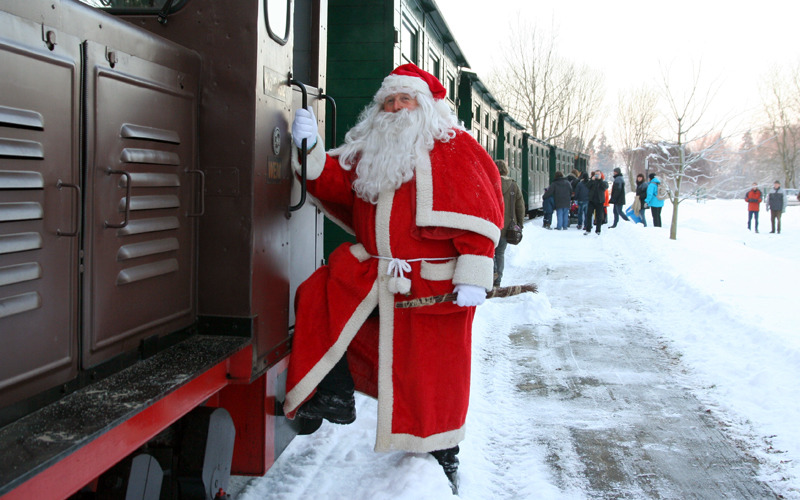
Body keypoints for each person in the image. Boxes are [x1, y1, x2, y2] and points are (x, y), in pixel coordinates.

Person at [285, 63, 504, 493]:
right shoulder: (374, 149)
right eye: (389, 101)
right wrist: (309, 150)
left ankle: (444, 454)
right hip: (376, 270)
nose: (396, 107)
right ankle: (334, 392)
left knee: (433, 377)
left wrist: (474, 274)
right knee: (321, 295)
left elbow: (480, 214)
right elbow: (335, 182)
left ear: (425, 106)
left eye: (405, 99)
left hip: (433, 285)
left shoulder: (456, 148)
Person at [494, 159, 524, 287]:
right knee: (500, 253)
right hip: (507, 227)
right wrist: (520, 224)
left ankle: (492, 275)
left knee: (490, 253)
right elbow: (520, 206)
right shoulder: (513, 185)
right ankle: (498, 280)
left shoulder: (490, 183)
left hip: (492, 225)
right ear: (506, 170)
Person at [584, 170, 608, 235]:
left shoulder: (603, 182)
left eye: (598, 174)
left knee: (599, 216)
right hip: (591, 200)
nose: (597, 176)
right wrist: (592, 180)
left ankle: (598, 230)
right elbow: (587, 186)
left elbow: (605, 187)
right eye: (596, 174)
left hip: (599, 201)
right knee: (589, 214)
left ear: (600, 175)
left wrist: (600, 180)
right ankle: (588, 229)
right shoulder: (592, 181)